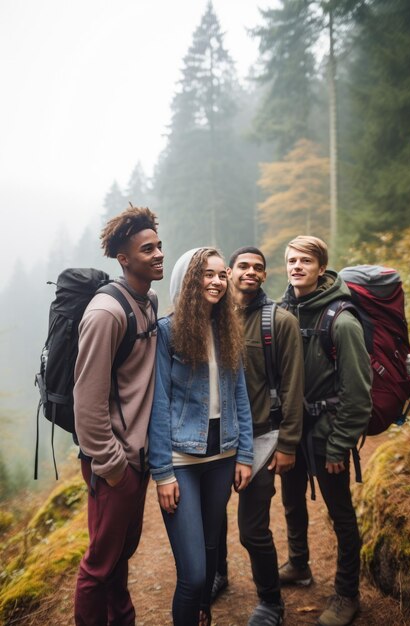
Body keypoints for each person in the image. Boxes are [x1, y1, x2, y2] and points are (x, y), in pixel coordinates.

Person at [148, 247, 253, 626]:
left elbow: (239, 393)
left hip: (222, 459)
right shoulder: (167, 331)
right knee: (192, 575)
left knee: (210, 556)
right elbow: (158, 403)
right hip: (182, 462)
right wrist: (162, 473)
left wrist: (245, 454)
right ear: (190, 281)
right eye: (207, 275)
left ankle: (202, 614)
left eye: (221, 275)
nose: (216, 281)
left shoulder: (227, 328)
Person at [73, 206, 164, 626]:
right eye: (147, 249)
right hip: (115, 464)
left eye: (159, 245)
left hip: (137, 459)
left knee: (120, 556)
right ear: (123, 258)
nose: (159, 254)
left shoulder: (147, 301)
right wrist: (112, 468)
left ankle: (122, 619)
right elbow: (87, 404)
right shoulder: (106, 313)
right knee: (98, 566)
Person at [279, 235, 372, 626]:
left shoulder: (342, 319)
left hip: (326, 433)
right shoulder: (284, 309)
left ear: (321, 267)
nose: (296, 267)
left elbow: (359, 393)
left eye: (305, 261)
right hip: (292, 432)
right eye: (291, 260)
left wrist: (338, 445)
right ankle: (299, 564)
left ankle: (347, 594)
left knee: (341, 515)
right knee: (291, 501)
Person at [214, 246, 305, 626]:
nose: (251, 272)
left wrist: (287, 444)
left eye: (259, 268)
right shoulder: (210, 319)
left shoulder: (279, 321)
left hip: (264, 440)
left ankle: (271, 602)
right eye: (243, 266)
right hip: (216, 440)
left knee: (253, 530)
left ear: (264, 276)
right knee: (211, 519)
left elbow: (293, 386)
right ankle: (217, 574)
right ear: (230, 272)